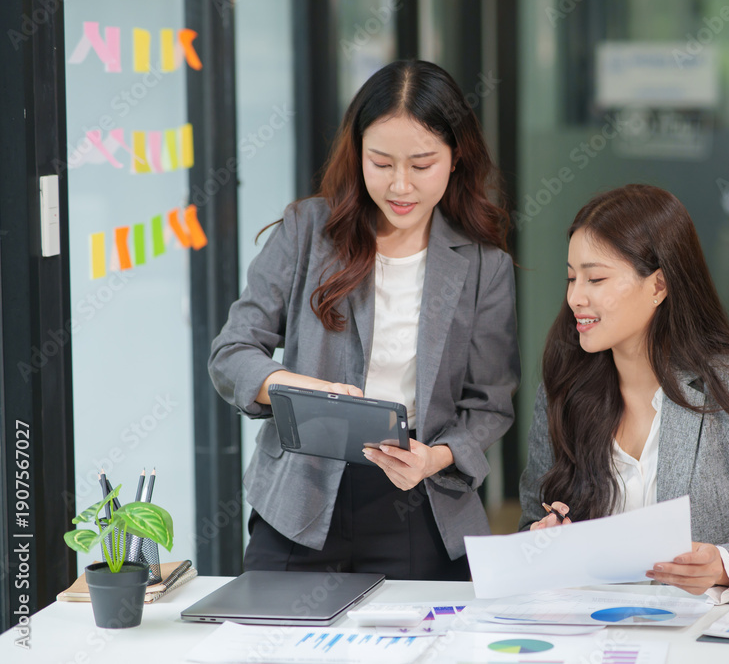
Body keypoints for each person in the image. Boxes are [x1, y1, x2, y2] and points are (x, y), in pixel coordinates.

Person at [209, 60, 519, 580]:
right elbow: (232, 352)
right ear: (357, 155)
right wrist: (296, 388)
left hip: (418, 499)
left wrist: (435, 458)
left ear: (456, 157)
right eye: (381, 163)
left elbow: (489, 405)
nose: (401, 186)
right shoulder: (308, 231)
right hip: (300, 496)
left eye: (421, 165)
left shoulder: (485, 265)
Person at [519, 184, 729, 603]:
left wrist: (721, 566)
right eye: (571, 278)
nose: (575, 297)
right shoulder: (562, 387)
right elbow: (531, 522)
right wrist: (542, 540)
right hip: (591, 634)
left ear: (659, 285)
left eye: (596, 278)